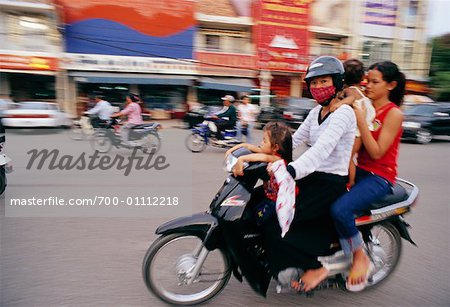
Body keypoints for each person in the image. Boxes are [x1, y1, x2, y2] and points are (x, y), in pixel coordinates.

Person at [258, 56, 357, 293]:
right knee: (267, 211)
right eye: (313, 83)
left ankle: (318, 266)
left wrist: (291, 169)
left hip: (330, 182)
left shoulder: (344, 114)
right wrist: (263, 150)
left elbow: (322, 150)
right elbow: (294, 139)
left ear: (337, 82)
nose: (318, 87)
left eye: (324, 81)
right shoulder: (315, 113)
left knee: (282, 224)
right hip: (312, 176)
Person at [330, 61, 405, 292]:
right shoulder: (367, 105)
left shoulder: (393, 114)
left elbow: (376, 152)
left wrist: (361, 119)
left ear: (391, 85)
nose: (368, 85)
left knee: (340, 210)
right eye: (367, 81)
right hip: (358, 170)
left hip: (378, 178)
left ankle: (360, 257)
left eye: (375, 82)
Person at [226, 122, 295, 233]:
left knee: (256, 219)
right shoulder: (271, 153)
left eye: (264, 141)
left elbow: (262, 156)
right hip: (268, 195)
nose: (261, 143)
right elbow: (250, 147)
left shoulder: (278, 160)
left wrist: (242, 159)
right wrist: (235, 149)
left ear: (275, 147)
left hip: (275, 202)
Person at [331, 59, 376, 186]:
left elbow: (350, 99)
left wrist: (339, 103)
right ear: (362, 76)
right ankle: (351, 180)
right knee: (350, 158)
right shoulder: (361, 90)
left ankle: (350, 182)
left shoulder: (349, 91)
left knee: (347, 158)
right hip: (365, 129)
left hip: (357, 131)